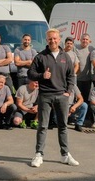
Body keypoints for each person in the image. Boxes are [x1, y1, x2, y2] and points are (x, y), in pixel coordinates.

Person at [28, 28, 79, 167]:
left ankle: (65, 155)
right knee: (42, 126)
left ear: (59, 39)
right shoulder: (41, 56)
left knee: (63, 126)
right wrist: (41, 76)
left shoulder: (65, 56)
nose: (53, 41)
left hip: (61, 96)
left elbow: (71, 75)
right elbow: (30, 73)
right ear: (47, 40)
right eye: (50, 39)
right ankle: (39, 155)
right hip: (45, 95)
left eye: (55, 38)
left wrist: (68, 91)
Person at [74, 34, 95, 103]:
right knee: (77, 98)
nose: (85, 41)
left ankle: (85, 113)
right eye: (83, 39)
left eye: (86, 39)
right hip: (77, 79)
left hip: (87, 79)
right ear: (80, 40)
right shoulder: (75, 48)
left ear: (89, 41)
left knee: (86, 98)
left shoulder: (91, 49)